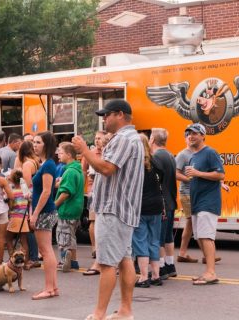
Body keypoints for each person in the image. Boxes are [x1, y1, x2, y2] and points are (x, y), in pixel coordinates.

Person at [73, 99, 144, 320]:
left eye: (107, 114)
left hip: (113, 209)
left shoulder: (123, 139)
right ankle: (125, 310)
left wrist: (85, 150)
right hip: (123, 209)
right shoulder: (133, 138)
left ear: (120, 114)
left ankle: (100, 314)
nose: (104, 119)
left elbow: (107, 168)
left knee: (106, 264)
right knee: (124, 260)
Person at [184, 123, 224, 285]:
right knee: (200, 237)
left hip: (208, 202)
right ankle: (207, 271)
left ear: (202, 135)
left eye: (194, 133)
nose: (191, 136)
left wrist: (198, 173)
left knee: (206, 237)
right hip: (197, 202)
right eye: (188, 134)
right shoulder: (194, 156)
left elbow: (220, 174)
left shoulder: (210, 152)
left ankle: (211, 272)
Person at [29, 131, 58, 300]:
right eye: (34, 142)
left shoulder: (47, 165)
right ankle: (53, 287)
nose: (35, 145)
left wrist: (35, 214)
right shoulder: (46, 164)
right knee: (48, 250)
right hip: (46, 210)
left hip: (45, 211)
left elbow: (47, 191)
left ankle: (48, 288)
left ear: (46, 145)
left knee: (45, 251)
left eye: (38, 142)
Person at [132, 134, 164, 288]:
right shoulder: (155, 160)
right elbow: (162, 180)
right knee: (154, 240)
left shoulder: (135, 164)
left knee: (140, 240)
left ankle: (144, 277)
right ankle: (156, 275)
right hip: (157, 204)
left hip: (141, 206)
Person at [149, 128, 178, 280]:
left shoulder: (157, 157)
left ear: (152, 140)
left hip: (162, 203)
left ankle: (160, 268)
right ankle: (170, 264)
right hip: (171, 201)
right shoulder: (170, 155)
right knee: (168, 237)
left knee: (158, 238)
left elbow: (157, 182)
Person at [55, 142, 84, 273]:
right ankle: (73, 261)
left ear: (68, 154)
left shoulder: (70, 171)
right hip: (76, 208)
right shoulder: (77, 169)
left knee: (63, 235)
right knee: (71, 236)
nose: (58, 155)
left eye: (60, 152)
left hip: (67, 209)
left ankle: (65, 259)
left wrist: (55, 205)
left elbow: (66, 192)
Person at [83, 131, 107, 276]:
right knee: (93, 221)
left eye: (100, 138)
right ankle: (95, 248)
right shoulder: (90, 153)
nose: (97, 141)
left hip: (104, 193)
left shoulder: (108, 152)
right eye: (96, 138)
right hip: (93, 192)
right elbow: (83, 169)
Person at [14, 141, 41, 269]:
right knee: (32, 229)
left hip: (30, 198)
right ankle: (34, 256)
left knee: (29, 229)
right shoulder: (36, 162)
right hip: (37, 196)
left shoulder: (26, 164)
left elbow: (26, 183)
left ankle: (33, 257)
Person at [175, 136, 199, 263]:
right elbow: (176, 173)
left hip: (196, 193)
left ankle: (182, 253)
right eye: (188, 137)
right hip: (186, 193)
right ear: (185, 139)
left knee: (190, 224)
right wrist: (189, 179)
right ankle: (207, 255)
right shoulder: (182, 155)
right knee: (193, 222)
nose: (190, 138)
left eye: (192, 136)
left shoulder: (198, 153)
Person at [5, 169, 30, 263]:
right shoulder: (25, 191)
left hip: (15, 217)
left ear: (12, 179)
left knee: (8, 239)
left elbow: (11, 206)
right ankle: (26, 261)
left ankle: (12, 259)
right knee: (24, 241)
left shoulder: (12, 192)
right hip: (24, 217)